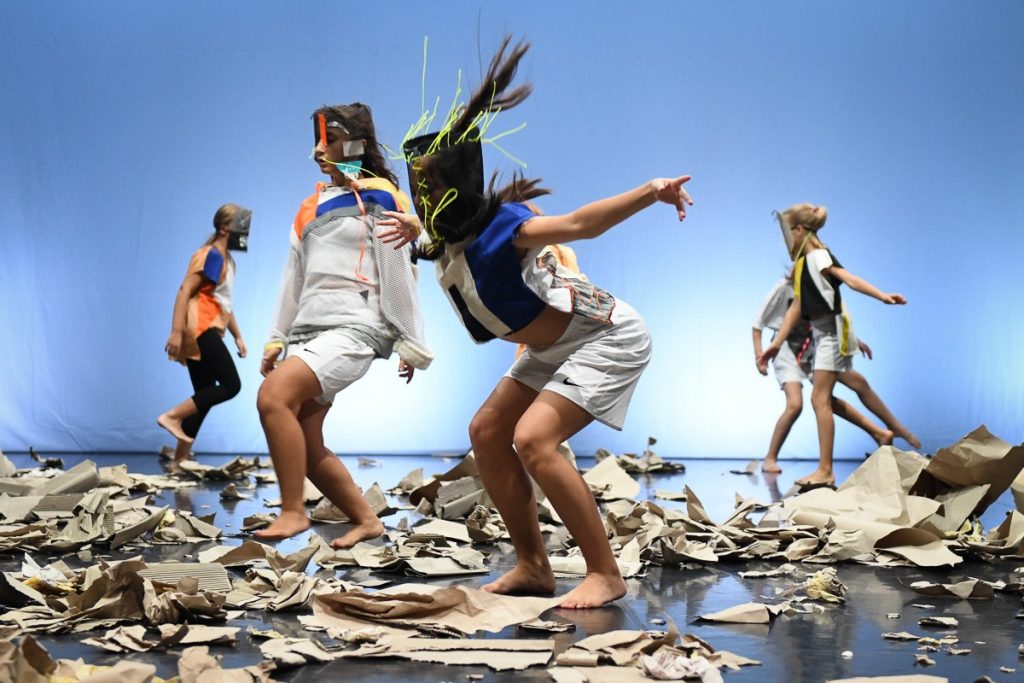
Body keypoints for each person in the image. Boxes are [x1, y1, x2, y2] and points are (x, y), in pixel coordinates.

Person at [378, 37, 693, 608]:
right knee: (487, 434)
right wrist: (411, 227)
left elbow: (579, 224)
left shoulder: (508, 229)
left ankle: (605, 572)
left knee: (534, 440)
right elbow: (438, 245)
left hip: (607, 336)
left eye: (429, 194)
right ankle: (533, 566)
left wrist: (651, 191)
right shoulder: (443, 237)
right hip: (552, 348)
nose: (422, 206)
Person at [255, 103, 432, 546]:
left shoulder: (381, 195)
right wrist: (277, 336)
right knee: (309, 444)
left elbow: (401, 268)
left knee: (273, 397)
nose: (318, 149)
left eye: (330, 139)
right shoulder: (309, 206)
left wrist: (411, 341)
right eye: (317, 140)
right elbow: (291, 276)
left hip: (357, 327)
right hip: (312, 333)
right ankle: (367, 520)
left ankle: (294, 511)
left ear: (356, 144)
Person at [757, 204, 919, 488]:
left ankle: (826, 470)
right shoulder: (802, 266)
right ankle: (882, 434)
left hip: (830, 337)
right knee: (840, 391)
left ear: (798, 230)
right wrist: (776, 344)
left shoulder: (818, 256)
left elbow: (848, 278)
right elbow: (797, 307)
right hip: (823, 337)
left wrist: (881, 295)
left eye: (788, 233)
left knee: (820, 400)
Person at [752, 271, 896, 473]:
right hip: (785, 350)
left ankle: (878, 433)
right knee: (795, 404)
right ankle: (770, 458)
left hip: (811, 348)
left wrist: (855, 340)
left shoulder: (817, 289)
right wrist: (760, 356)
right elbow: (757, 324)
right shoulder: (782, 289)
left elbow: (831, 321)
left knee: (825, 399)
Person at [158, 204, 250, 473]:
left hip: (212, 323)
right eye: (241, 226)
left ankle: (178, 461)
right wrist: (176, 331)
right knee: (231, 385)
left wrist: (238, 336)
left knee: (203, 397)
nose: (245, 232)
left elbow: (224, 303)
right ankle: (171, 416)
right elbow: (185, 290)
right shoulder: (211, 256)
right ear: (224, 228)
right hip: (201, 326)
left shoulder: (225, 260)